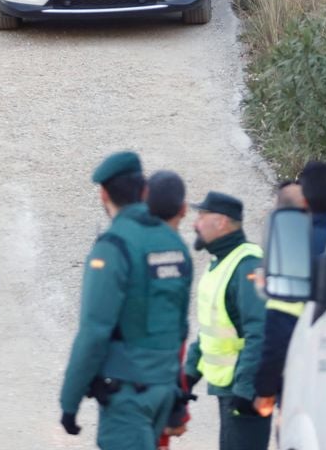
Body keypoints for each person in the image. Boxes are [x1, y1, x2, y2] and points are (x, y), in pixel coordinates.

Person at [60, 151, 193, 449]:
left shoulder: (113, 246)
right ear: (144, 191)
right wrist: (177, 401)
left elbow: (94, 331)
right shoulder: (174, 244)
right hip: (162, 391)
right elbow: (179, 329)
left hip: (127, 396)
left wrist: (70, 400)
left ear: (103, 194)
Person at [251, 164, 326, 416]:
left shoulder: (297, 246)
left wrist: (265, 388)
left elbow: (280, 323)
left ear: (304, 199)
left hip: (308, 374)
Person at [184, 191, 270, 450]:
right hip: (230, 390)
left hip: (244, 394)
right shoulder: (221, 263)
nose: (195, 224)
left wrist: (245, 389)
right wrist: (188, 375)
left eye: (201, 216)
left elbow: (260, 329)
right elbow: (214, 329)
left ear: (221, 222)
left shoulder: (247, 265)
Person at [145, 171, 193, 448]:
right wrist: (177, 409)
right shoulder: (176, 258)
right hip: (157, 394)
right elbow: (171, 342)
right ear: (183, 210)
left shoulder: (122, 245)